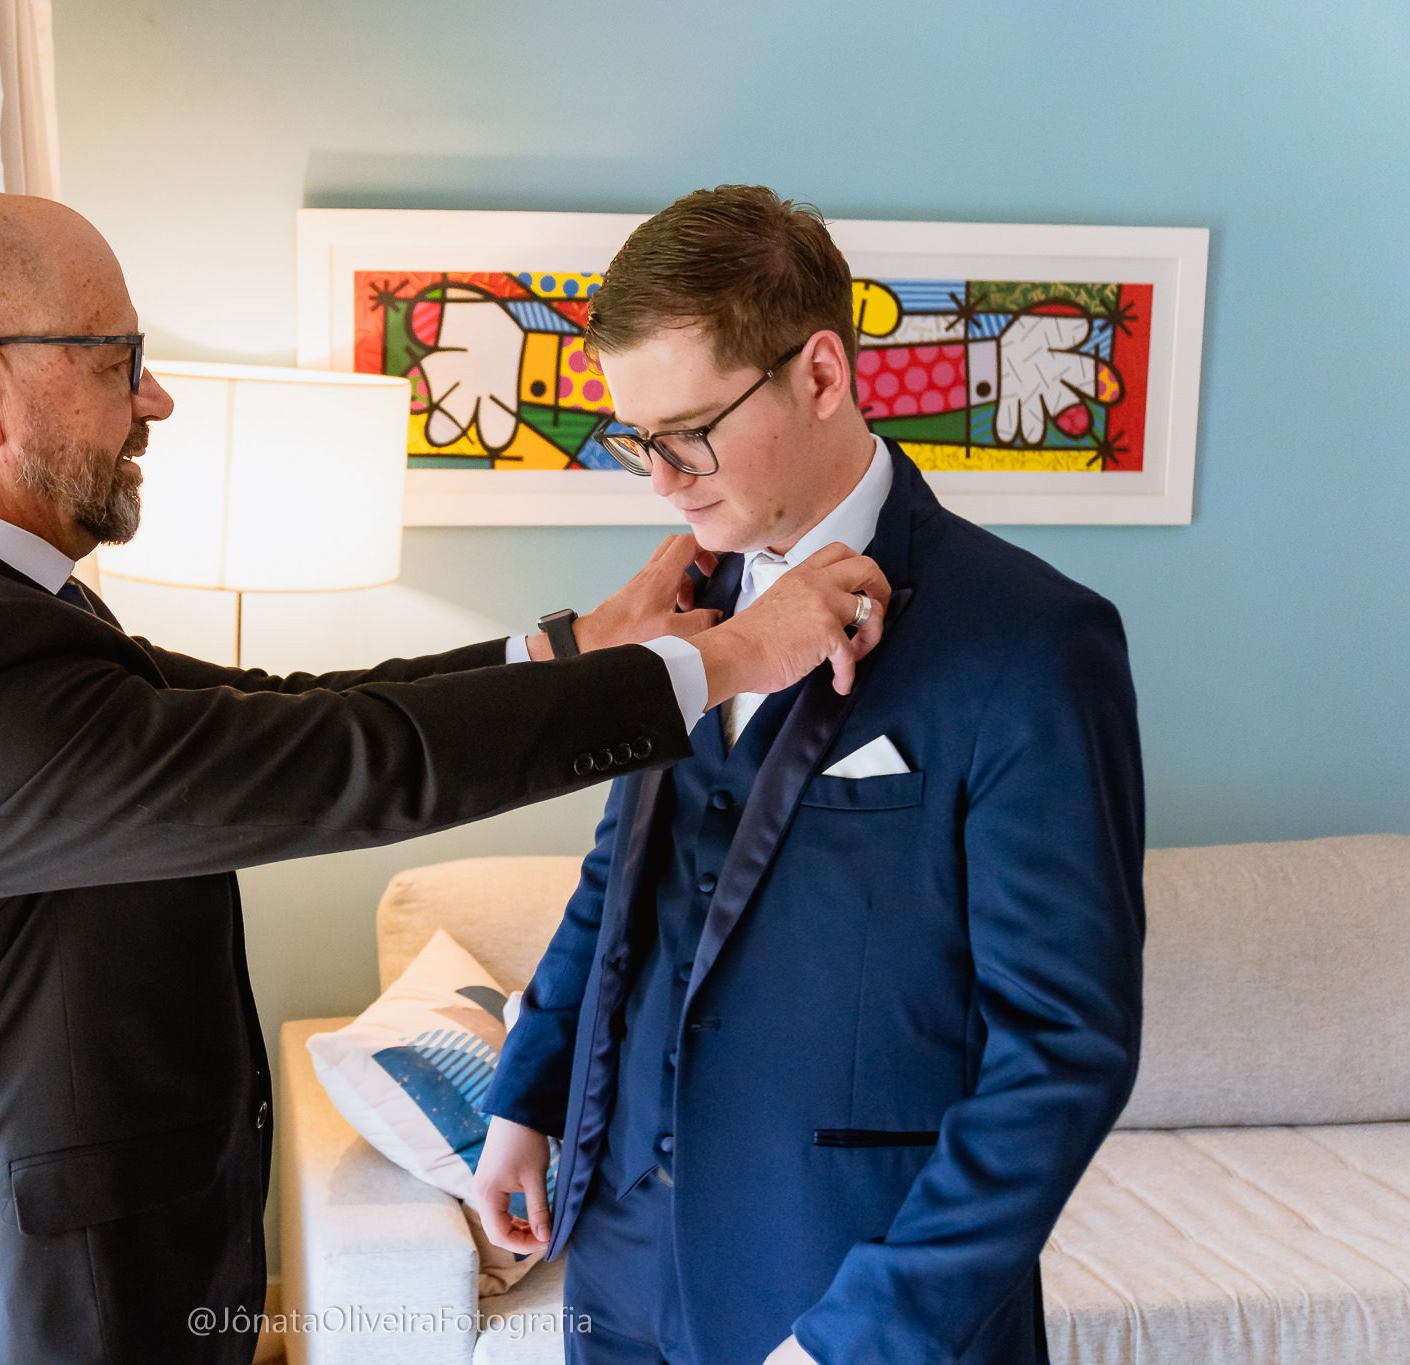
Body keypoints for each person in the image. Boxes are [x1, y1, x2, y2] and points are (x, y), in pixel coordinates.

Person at [0, 189, 892, 1365]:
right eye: (118, 361)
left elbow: (282, 708)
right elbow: (334, 765)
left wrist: (572, 649)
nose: (152, 398)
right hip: (31, 1313)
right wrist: (718, 661)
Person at [471, 185, 1146, 1365]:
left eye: (688, 434)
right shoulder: (681, 600)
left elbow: (1061, 1050)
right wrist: (524, 1100)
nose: (661, 482)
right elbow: (617, 879)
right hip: (621, 1270)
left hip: (842, 1292)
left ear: (821, 375)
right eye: (635, 442)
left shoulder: (1031, 643)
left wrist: (863, 1336)